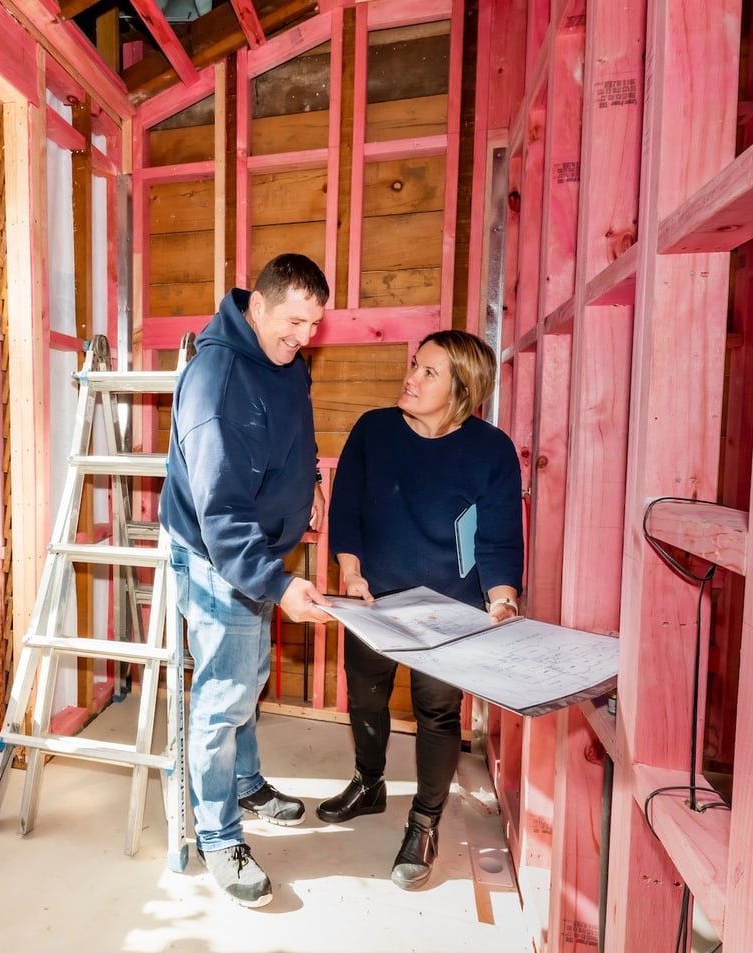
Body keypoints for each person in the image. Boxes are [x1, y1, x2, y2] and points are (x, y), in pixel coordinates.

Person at [316, 329, 524, 890]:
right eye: (414, 364)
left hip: (448, 610)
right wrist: (351, 571)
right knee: (365, 695)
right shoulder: (374, 430)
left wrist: (502, 598)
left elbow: (501, 535)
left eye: (428, 372)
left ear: (463, 389)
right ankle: (369, 781)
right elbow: (349, 508)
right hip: (373, 602)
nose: (410, 377)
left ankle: (424, 822)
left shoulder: (491, 449)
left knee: (437, 713)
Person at [159, 253, 333, 907]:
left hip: (257, 553)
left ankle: (246, 779)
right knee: (225, 691)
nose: (304, 339)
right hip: (217, 555)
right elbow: (222, 514)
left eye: (314, 325)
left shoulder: (284, 359)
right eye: (294, 322)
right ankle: (218, 833)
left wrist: (311, 477)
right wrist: (278, 582)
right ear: (257, 306)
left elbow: (299, 427)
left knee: (246, 672)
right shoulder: (218, 382)